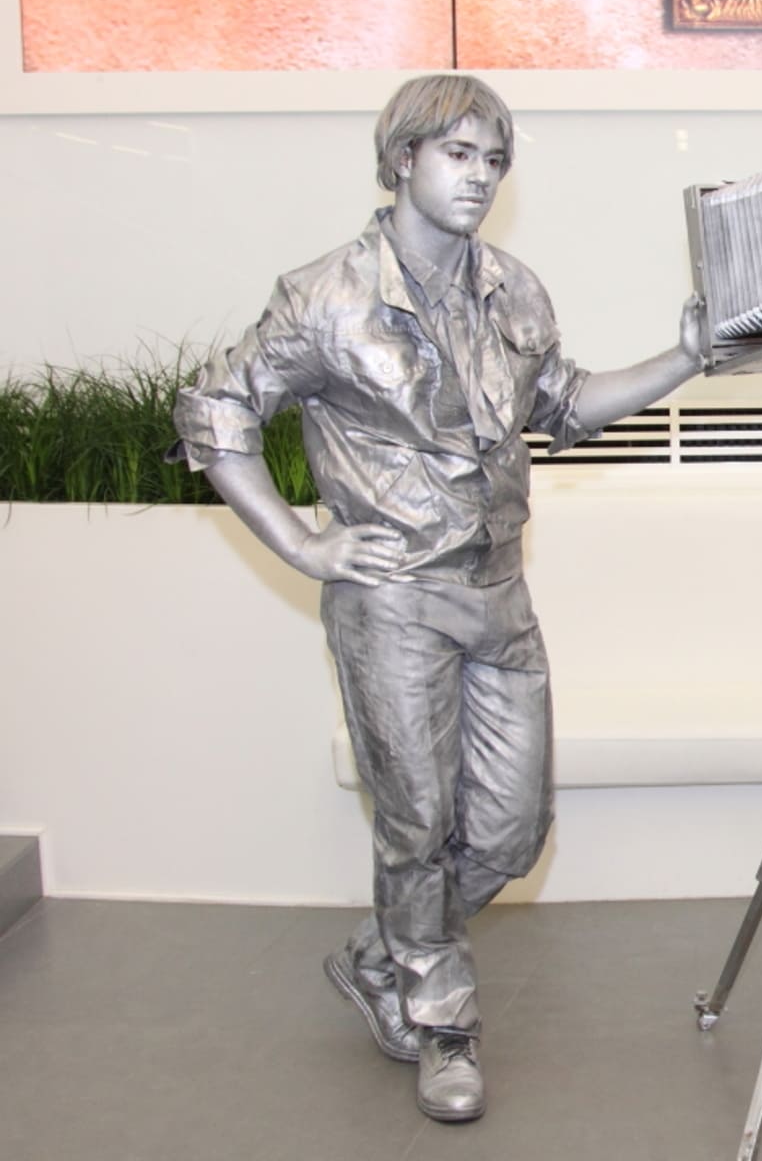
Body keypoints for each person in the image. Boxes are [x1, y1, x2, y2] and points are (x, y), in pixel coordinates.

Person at [170, 74, 704, 1124]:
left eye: (494, 160)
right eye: (459, 154)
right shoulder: (326, 296)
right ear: (402, 156)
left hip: (499, 593)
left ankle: (385, 954)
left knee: (512, 832)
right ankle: (443, 1024)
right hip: (393, 601)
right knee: (417, 825)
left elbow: (565, 405)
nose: (480, 177)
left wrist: (684, 357)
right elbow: (219, 413)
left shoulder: (514, 289)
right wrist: (301, 541)